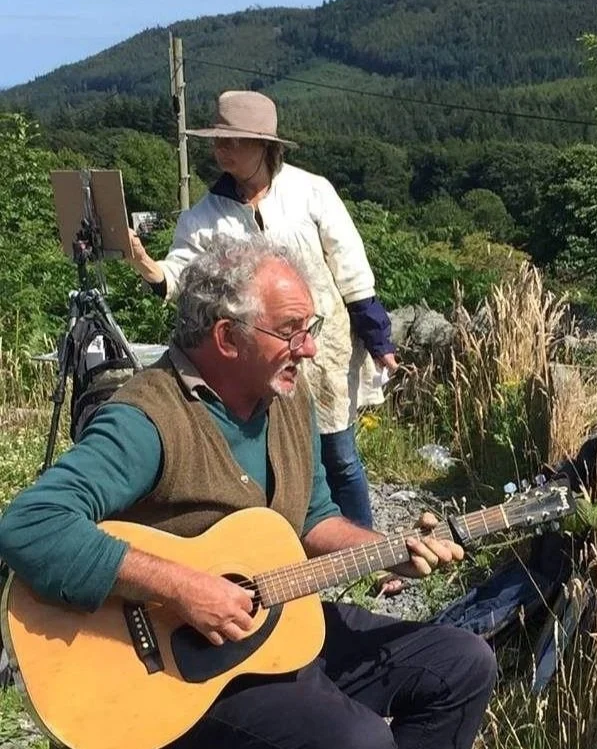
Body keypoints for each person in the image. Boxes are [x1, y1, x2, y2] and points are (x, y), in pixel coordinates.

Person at [0, 234, 496, 749]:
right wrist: (182, 588)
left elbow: (313, 516)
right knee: (358, 741)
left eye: (311, 328)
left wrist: (385, 552)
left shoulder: (286, 396)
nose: (307, 348)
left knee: (462, 665)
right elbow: (31, 524)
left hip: (278, 631)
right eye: (290, 331)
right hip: (177, 676)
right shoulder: (148, 420)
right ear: (227, 338)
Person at [127, 91, 399, 586]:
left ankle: (371, 555)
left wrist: (378, 337)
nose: (222, 151)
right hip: (251, 360)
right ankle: (282, 560)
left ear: (263, 145)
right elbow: (183, 273)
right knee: (266, 455)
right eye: (218, 141)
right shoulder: (204, 216)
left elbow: (351, 267)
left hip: (321, 343)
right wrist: (150, 269)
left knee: (336, 451)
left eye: (233, 141)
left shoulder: (311, 192)